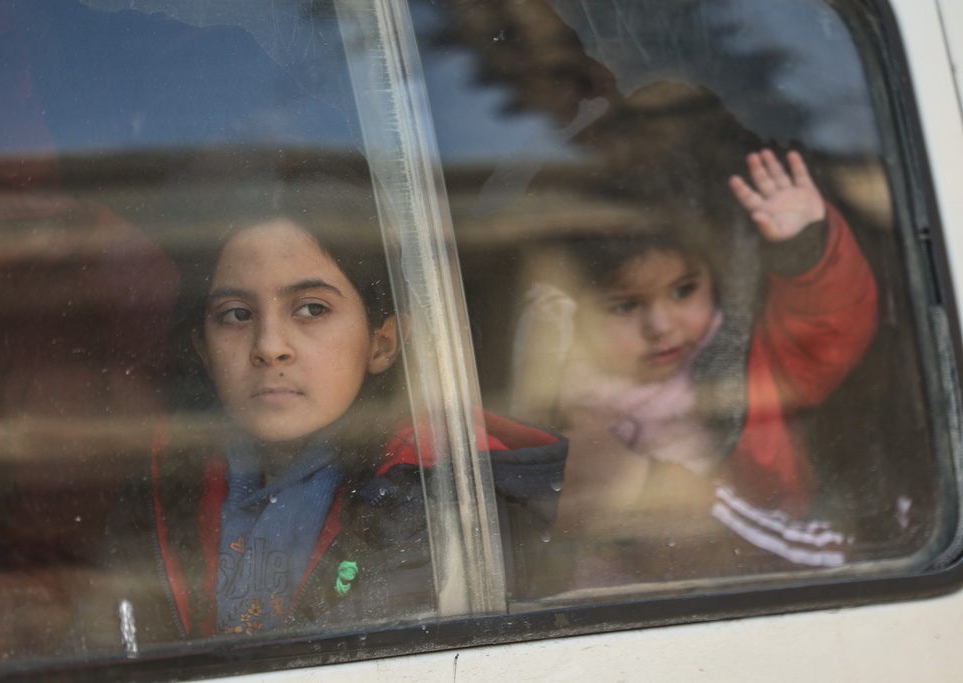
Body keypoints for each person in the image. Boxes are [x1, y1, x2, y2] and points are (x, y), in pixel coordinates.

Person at [83, 180, 567, 650]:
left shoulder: (434, 496)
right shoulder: (164, 489)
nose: (270, 348)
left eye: (312, 309)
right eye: (236, 314)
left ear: (382, 344)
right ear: (204, 352)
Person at [549, 149, 879, 586]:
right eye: (625, 306)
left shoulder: (739, 356)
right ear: (575, 313)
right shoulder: (556, 387)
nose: (662, 326)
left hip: (748, 559)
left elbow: (827, 334)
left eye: (684, 291)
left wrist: (805, 248)